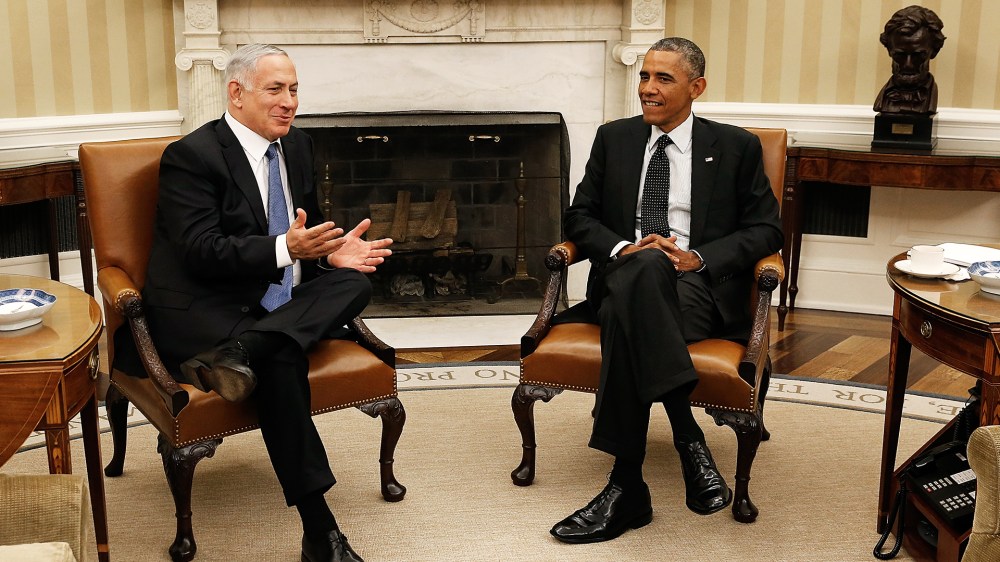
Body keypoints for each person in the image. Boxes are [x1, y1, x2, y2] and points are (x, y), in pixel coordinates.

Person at [132, 44, 391, 561]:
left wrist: (330, 256)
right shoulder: (192, 156)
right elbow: (199, 251)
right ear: (237, 93)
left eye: (294, 89)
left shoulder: (298, 148)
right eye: (275, 90)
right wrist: (284, 249)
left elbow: (303, 233)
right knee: (283, 358)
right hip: (204, 305)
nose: (289, 102)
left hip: (269, 310)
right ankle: (321, 531)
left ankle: (243, 351)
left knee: (355, 283)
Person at [548, 37, 783, 544]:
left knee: (638, 296)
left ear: (696, 87)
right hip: (623, 274)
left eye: (663, 79)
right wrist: (618, 250)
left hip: (695, 287)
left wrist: (699, 257)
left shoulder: (736, 146)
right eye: (644, 76)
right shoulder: (615, 139)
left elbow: (767, 230)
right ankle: (687, 435)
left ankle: (626, 485)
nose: (647, 89)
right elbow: (578, 216)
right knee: (643, 266)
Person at [873, 5, 946, 115]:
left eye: (918, 56)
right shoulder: (882, 100)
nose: (908, 65)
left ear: (934, 51)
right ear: (889, 50)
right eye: (900, 55)